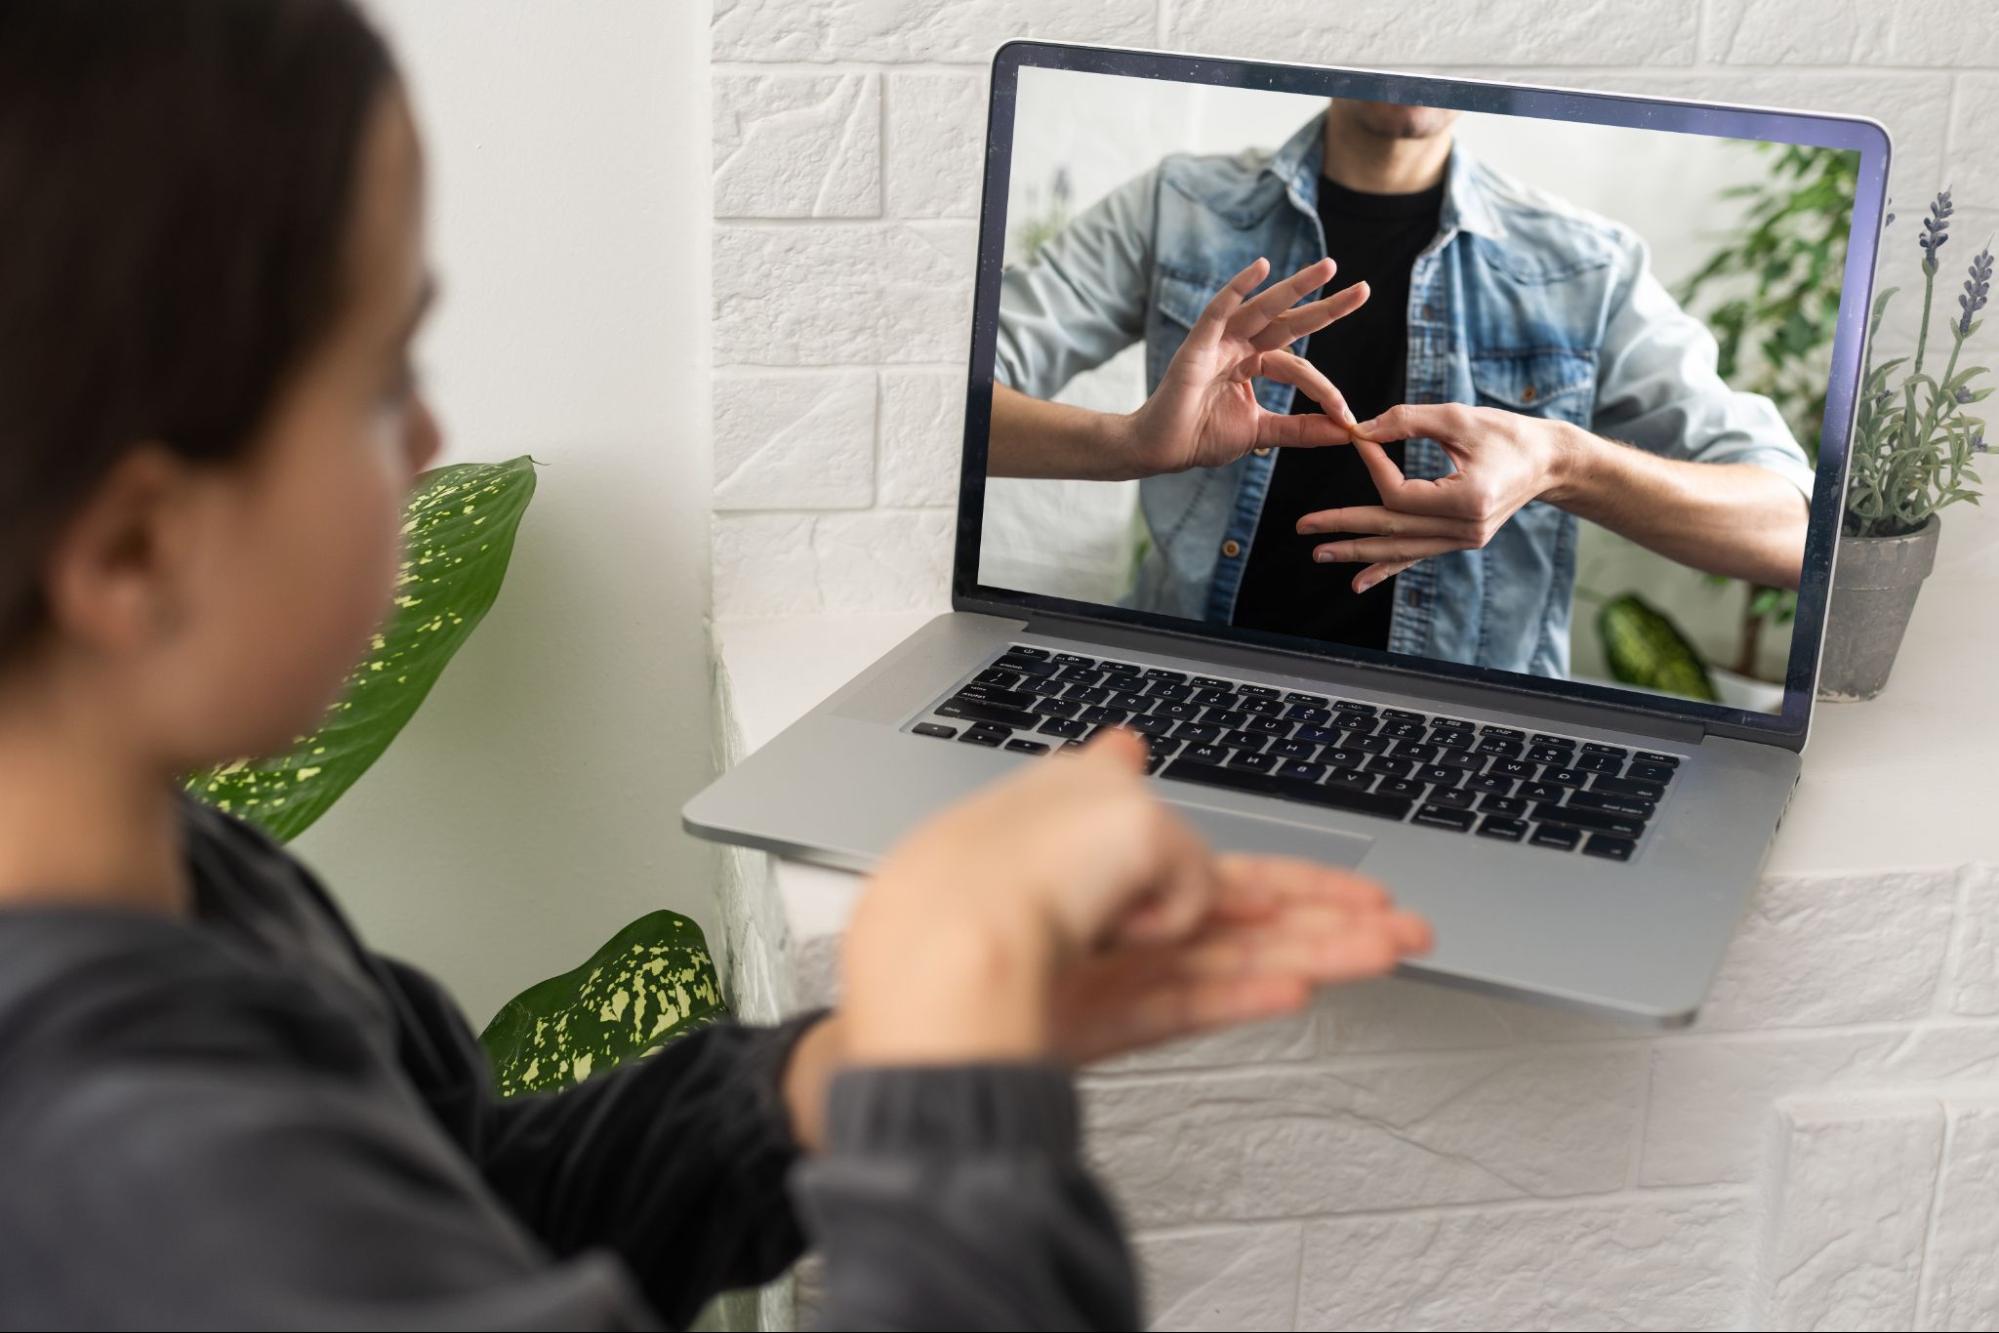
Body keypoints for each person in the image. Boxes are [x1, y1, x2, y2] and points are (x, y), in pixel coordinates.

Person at [0, 4, 1432, 1328]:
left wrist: (842, 1072)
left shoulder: (175, 880)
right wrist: (948, 1092)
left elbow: (477, 1202)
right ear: (133, 551)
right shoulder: (149, 1193)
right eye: (383, 377)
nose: (431, 439)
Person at [989, 98, 1816, 679]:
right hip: (1180, 688)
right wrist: (1130, 444)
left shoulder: (1586, 267)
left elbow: (1791, 531)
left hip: (1472, 742)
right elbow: (943, 405)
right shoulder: (1177, 207)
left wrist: (1565, 464)